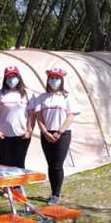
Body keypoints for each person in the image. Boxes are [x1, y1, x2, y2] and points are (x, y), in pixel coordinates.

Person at [34, 68, 79, 205]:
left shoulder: (67, 97)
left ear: (61, 80)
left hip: (62, 134)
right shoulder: (42, 97)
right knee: (50, 164)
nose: (54, 81)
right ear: (48, 80)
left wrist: (59, 132)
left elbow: (71, 116)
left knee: (57, 165)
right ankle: (52, 191)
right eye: (52, 78)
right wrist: (45, 132)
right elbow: (38, 116)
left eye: (57, 78)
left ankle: (56, 194)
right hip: (46, 133)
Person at [0, 65, 35, 168]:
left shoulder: (27, 93)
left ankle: (19, 185)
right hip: (3, 136)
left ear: (19, 77)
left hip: (21, 135)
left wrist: (29, 130)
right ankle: (6, 185)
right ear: (5, 79)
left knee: (19, 164)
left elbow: (32, 115)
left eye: (13, 76)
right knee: (5, 164)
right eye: (8, 77)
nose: (11, 79)